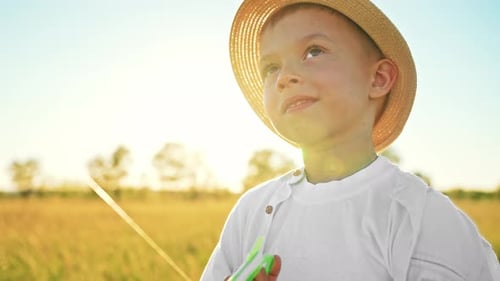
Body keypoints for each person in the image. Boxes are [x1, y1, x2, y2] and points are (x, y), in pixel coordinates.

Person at [201, 0, 500, 280]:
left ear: (378, 79)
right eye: (271, 68)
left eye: (314, 51)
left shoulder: (422, 218)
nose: (284, 77)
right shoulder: (251, 211)